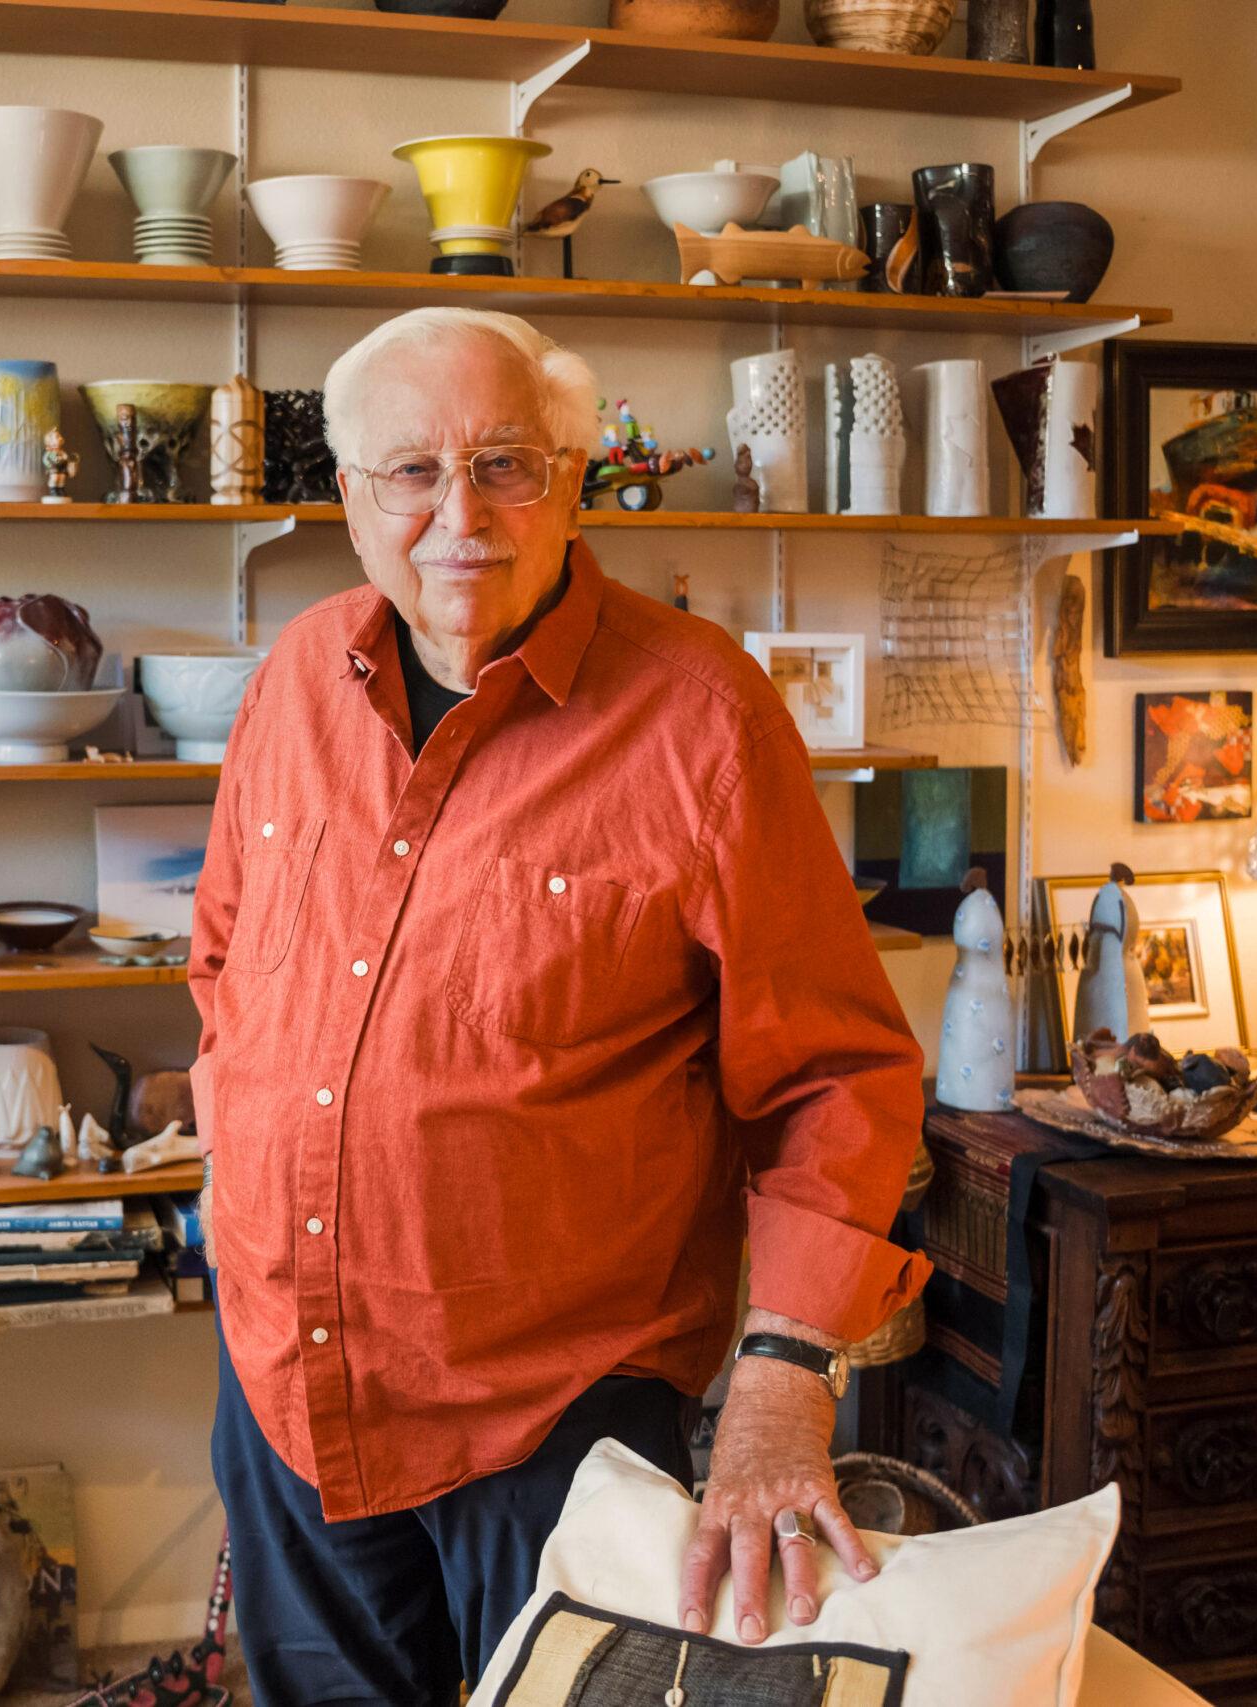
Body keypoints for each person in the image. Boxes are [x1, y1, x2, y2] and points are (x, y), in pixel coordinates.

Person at [187, 306, 931, 1706]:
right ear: (346, 497)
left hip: (554, 1427)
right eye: (410, 471)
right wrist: (237, 1151)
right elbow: (225, 958)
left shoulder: (702, 716)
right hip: (287, 1384)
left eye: (506, 464)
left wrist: (784, 1376)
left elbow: (837, 1071)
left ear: (577, 477)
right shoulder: (295, 680)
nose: (458, 513)